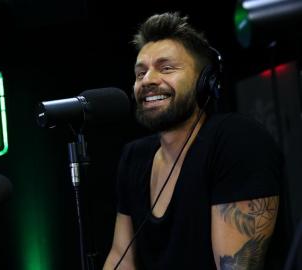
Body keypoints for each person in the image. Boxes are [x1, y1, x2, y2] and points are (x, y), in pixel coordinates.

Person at [103, 12, 283, 269]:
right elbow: (121, 257)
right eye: (140, 73)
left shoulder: (236, 140)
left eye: (166, 68)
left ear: (204, 82)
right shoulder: (134, 157)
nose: (148, 80)